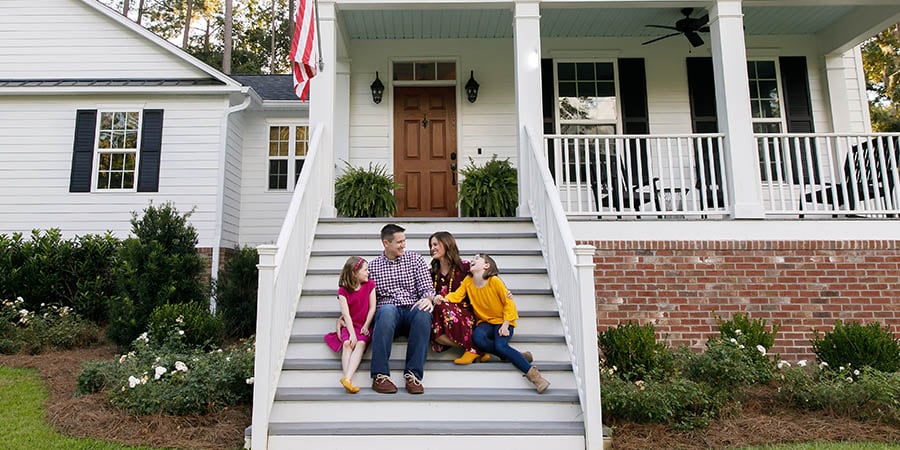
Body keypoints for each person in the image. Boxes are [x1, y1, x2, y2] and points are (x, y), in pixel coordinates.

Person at [435, 253, 550, 393]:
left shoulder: (494, 281)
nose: (473, 260)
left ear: (486, 265)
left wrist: (506, 324)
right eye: (473, 258)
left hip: (503, 321)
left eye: (477, 258)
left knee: (500, 346)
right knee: (477, 338)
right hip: (485, 322)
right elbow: (457, 296)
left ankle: (536, 377)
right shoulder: (468, 281)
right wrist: (444, 299)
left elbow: (509, 303)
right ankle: (518, 355)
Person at [368, 224, 435, 394]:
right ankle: (380, 376)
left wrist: (428, 299)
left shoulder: (415, 260)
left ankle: (413, 375)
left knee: (423, 313)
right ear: (386, 243)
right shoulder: (373, 267)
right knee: (386, 311)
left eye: (404, 241)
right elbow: (364, 297)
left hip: (412, 309)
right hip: (389, 314)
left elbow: (427, 289)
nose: (403, 245)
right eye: (399, 242)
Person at [323, 256, 376, 394]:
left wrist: (366, 325)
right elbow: (346, 315)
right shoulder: (343, 291)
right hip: (350, 325)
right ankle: (348, 380)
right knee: (347, 344)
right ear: (354, 273)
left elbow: (372, 308)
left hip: (364, 325)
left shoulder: (370, 285)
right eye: (365, 270)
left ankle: (347, 378)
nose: (368, 272)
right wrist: (352, 333)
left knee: (360, 344)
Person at [428, 231, 479, 364]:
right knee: (433, 332)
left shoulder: (466, 267)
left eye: (435, 244)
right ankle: (476, 348)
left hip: (464, 313)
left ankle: (475, 349)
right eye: (430, 245)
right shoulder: (432, 272)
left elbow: (488, 279)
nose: (432, 248)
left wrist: (505, 293)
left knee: (441, 306)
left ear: (447, 244)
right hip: (440, 316)